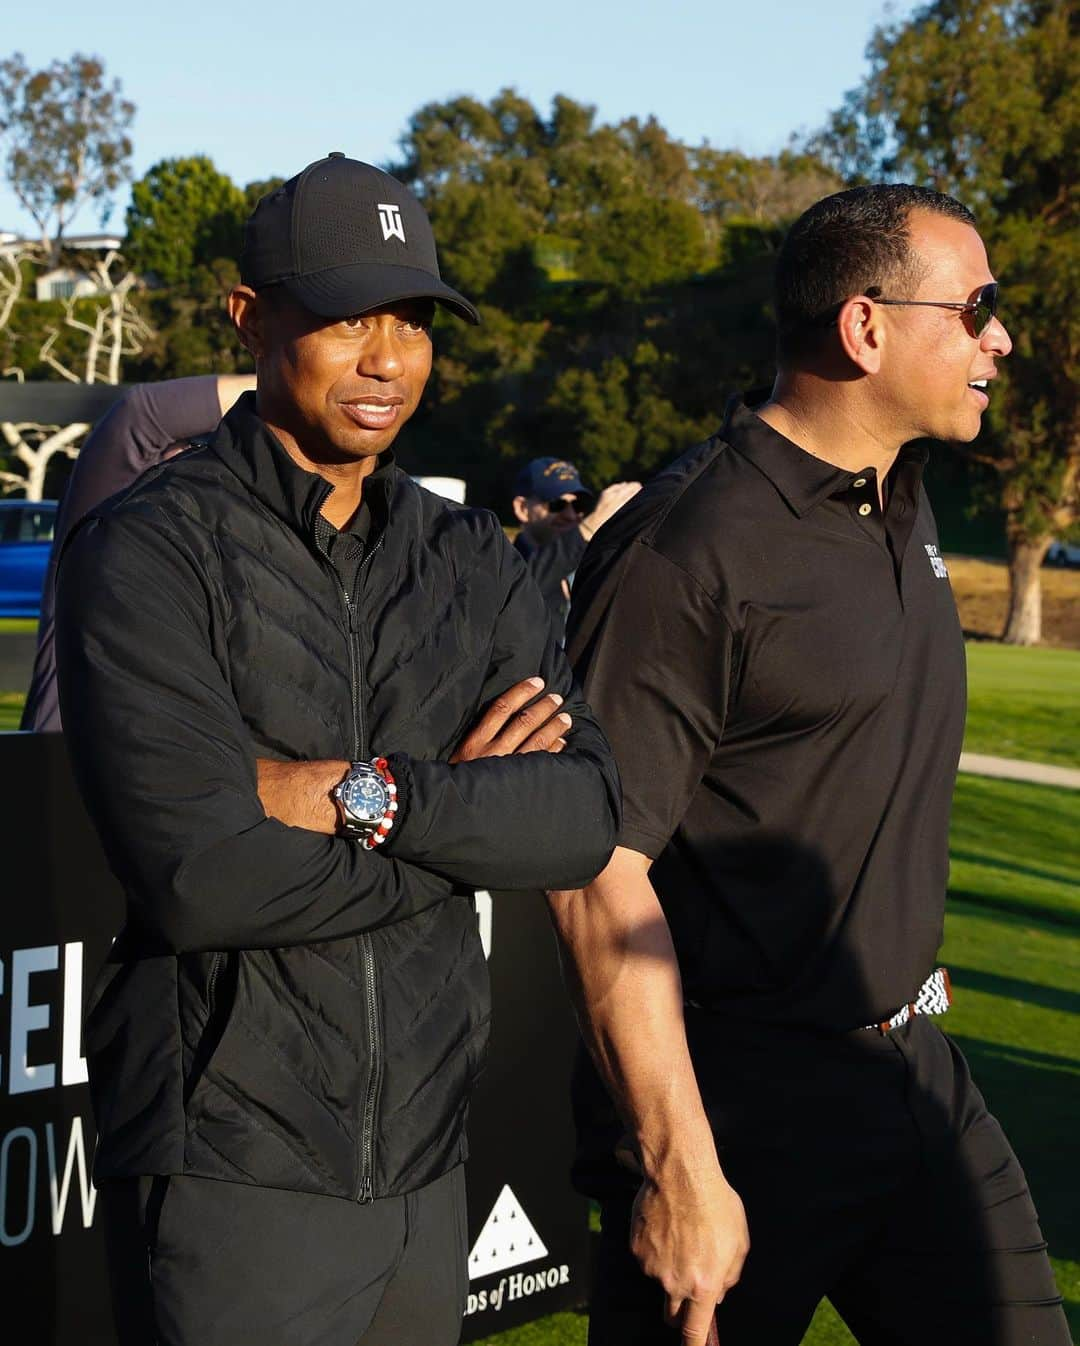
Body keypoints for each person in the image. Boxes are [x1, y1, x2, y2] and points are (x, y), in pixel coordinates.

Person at [54, 153, 619, 1346]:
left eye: (411, 321)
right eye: (348, 317)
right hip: (231, 1173)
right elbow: (201, 875)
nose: (387, 358)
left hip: (425, 1165)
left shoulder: (469, 555)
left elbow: (578, 814)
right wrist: (470, 818)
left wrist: (371, 794)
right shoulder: (147, 550)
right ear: (252, 320)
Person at [546, 184, 1070, 1346]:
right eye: (975, 305)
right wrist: (679, 1165)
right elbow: (593, 870)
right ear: (866, 326)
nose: (1002, 336)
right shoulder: (694, 546)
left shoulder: (906, 508)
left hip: (911, 1075)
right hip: (734, 1110)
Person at [21, 373, 255, 732]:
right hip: (62, 758)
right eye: (192, 445)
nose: (199, 466)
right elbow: (142, 415)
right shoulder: (101, 528)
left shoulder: (233, 559)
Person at [512, 456, 640, 640]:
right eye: (558, 504)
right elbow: (525, 584)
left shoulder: (585, 567)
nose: (571, 515)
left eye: (580, 505)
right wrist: (590, 526)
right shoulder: (500, 565)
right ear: (522, 508)